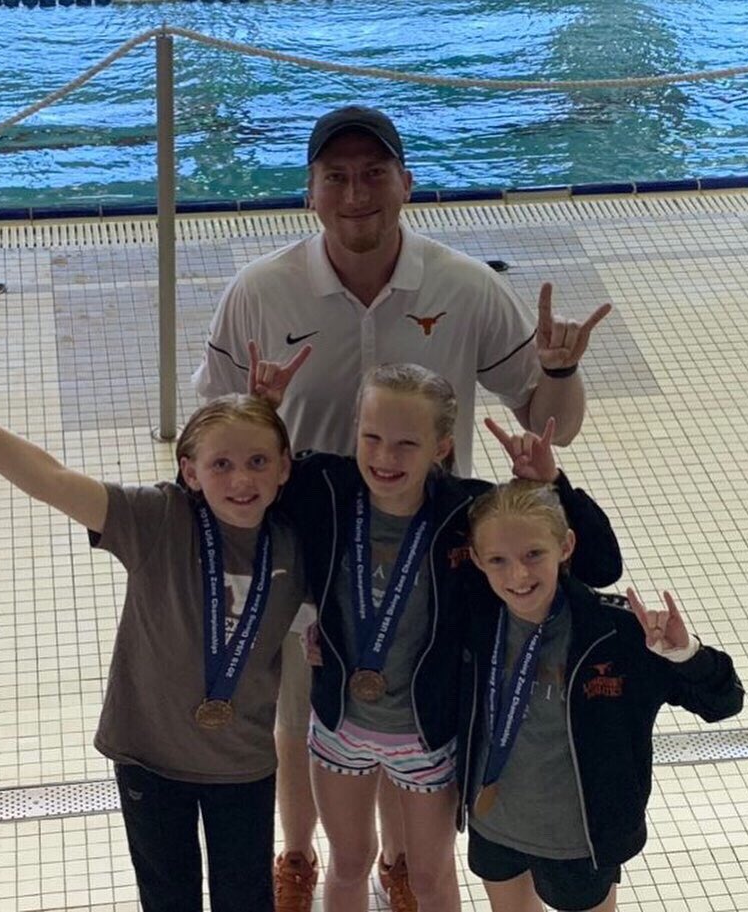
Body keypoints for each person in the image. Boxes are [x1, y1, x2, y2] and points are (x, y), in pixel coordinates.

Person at [194, 104, 612, 912]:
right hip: (307, 547)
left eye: (374, 174)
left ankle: (398, 864)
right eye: (338, 177)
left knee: (407, 710)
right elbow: (214, 427)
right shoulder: (260, 293)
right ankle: (298, 853)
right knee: (302, 710)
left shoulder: (463, 286)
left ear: (406, 182)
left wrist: (556, 372)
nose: (357, 194)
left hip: (432, 554)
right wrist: (252, 413)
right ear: (309, 192)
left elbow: (546, 415)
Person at [0, 337, 307, 912]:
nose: (241, 479)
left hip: (243, 763)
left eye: (257, 462)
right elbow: (46, 477)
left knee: (246, 901)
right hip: (149, 756)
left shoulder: (299, 542)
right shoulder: (156, 521)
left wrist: (261, 410)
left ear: (284, 470)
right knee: (167, 899)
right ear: (189, 472)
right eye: (219, 464)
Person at [253, 354, 622, 912]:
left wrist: (555, 484)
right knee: (348, 864)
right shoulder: (324, 487)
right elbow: (237, 481)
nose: (384, 456)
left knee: (429, 879)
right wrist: (262, 411)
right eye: (372, 436)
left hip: (427, 733)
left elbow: (599, 565)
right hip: (338, 723)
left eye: (407, 444)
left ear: (442, 446)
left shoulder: (468, 510)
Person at [456, 479, 745, 912]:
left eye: (534, 554)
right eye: (498, 560)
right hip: (494, 823)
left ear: (566, 546)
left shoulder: (619, 633)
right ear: (477, 560)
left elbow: (724, 702)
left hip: (580, 840)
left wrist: (686, 655)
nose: (518, 575)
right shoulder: (474, 623)